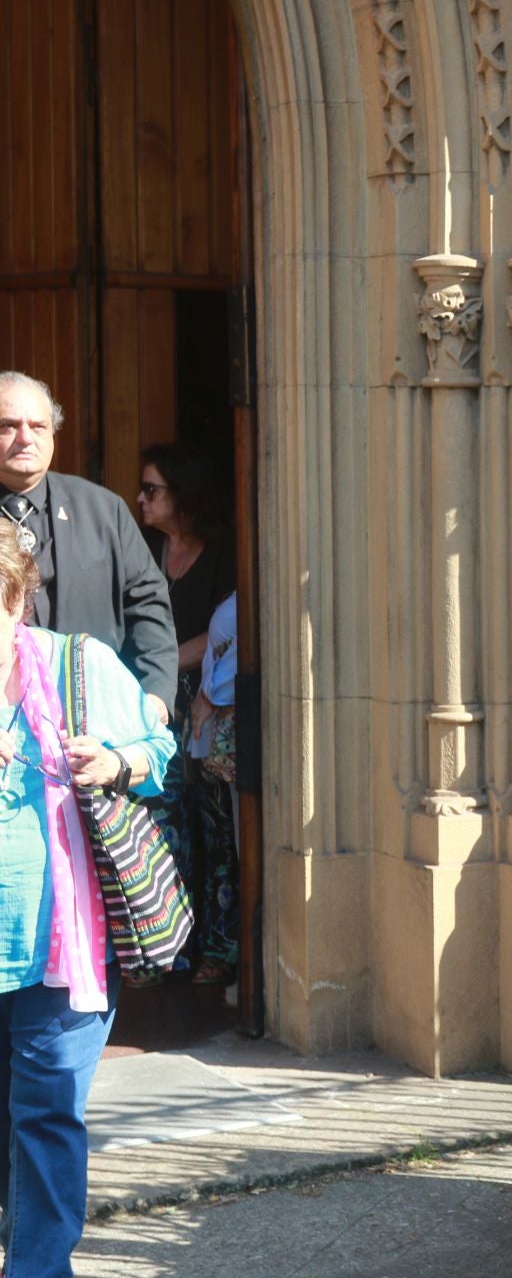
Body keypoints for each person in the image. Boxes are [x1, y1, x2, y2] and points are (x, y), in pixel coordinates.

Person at [0, 521, 176, 1274]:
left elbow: (157, 750)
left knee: (46, 1123)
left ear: (14, 597)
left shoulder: (79, 665)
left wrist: (115, 759)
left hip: (56, 951)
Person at [0, 373, 177, 720]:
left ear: (53, 434)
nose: (25, 438)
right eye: (8, 425)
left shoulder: (102, 510)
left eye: (38, 426)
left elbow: (146, 602)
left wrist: (155, 694)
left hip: (91, 724)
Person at [135, 443, 237, 985]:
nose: (141, 500)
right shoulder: (143, 547)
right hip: (152, 704)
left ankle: (220, 950)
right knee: (163, 825)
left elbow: (231, 630)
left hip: (208, 703)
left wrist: (165, 660)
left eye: (152, 490)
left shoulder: (222, 552)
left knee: (216, 826)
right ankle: (168, 946)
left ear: (184, 495)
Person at [186, 592, 241, 989]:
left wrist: (208, 695)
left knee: (229, 850)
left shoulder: (257, 597)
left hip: (230, 741)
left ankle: (227, 951)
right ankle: (215, 946)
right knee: (218, 847)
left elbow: (243, 650)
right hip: (216, 744)